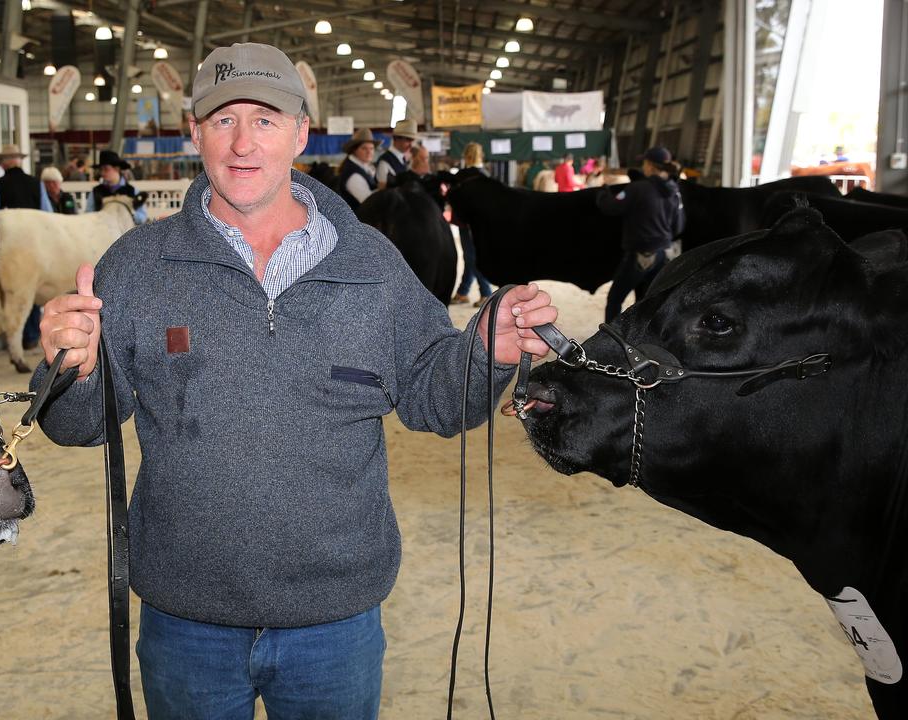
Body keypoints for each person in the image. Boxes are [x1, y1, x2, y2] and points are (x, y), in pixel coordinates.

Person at [32, 41, 558, 720]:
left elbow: (437, 398)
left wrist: (488, 351)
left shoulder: (370, 263)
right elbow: (75, 426)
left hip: (334, 624)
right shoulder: (136, 266)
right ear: (194, 133)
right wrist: (69, 367)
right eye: (223, 120)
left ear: (301, 133)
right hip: (185, 620)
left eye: (266, 119)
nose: (243, 142)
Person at [597, 145, 685, 322]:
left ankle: (612, 341)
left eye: (645, 162)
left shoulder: (637, 188)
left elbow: (610, 207)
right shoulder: (675, 191)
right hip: (664, 256)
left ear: (651, 166)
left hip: (641, 255)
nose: (643, 166)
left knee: (615, 298)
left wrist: (603, 192)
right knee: (647, 300)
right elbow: (678, 227)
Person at [0, 144, 49, 350]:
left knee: (14, 291)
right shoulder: (36, 184)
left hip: (10, 245)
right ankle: (31, 336)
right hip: (37, 244)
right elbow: (48, 214)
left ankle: (11, 338)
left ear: (3, 164)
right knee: (33, 289)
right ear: (19, 161)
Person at [451, 142, 492, 304]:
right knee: (471, 256)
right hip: (481, 222)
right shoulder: (485, 174)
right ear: (481, 155)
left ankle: (486, 293)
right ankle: (463, 292)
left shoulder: (462, 175)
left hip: (466, 222)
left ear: (466, 156)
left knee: (471, 256)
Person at [0, 143, 52, 212]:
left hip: (8, 222)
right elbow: (48, 212)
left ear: (3, 164)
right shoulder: (37, 183)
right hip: (33, 222)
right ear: (20, 163)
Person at [91, 150, 148, 224]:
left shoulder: (132, 190)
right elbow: (89, 215)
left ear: (117, 169)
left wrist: (131, 214)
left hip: (126, 232)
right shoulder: (96, 192)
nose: (102, 173)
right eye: (101, 170)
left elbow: (142, 217)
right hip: (103, 232)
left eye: (106, 169)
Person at [338, 127, 378, 210]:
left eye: (371, 148)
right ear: (354, 150)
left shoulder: (365, 167)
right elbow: (369, 201)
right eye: (364, 148)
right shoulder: (353, 174)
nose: (369, 152)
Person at [375, 119, 417, 189]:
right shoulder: (385, 162)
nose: (411, 145)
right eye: (408, 140)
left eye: (412, 141)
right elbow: (383, 191)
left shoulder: (402, 159)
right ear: (397, 139)